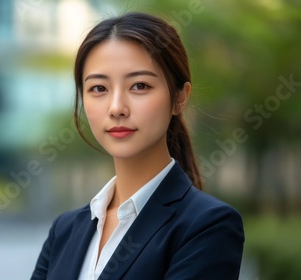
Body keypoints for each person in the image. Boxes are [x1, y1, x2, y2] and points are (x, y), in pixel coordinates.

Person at [31, 12, 244, 280]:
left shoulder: (208, 226)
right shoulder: (64, 231)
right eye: (98, 88)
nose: (117, 107)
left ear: (180, 98)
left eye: (139, 85)